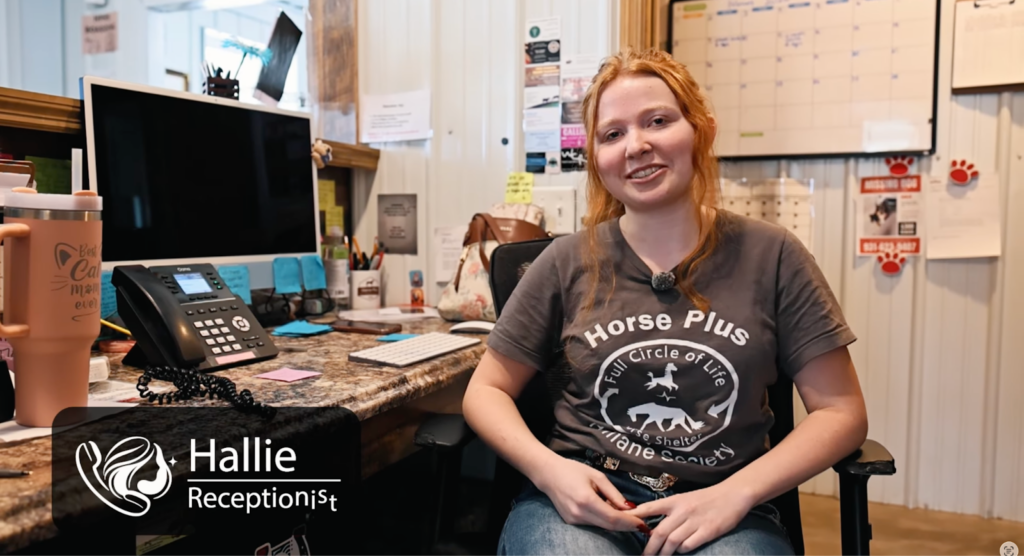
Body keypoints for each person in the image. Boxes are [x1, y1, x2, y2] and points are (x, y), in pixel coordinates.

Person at [461, 48, 868, 556]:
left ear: (701, 130)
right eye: (613, 134)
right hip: (586, 498)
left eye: (657, 121)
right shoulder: (564, 261)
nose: (637, 146)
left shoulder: (775, 255)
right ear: (596, 158)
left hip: (725, 503)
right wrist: (550, 471)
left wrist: (737, 494)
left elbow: (841, 411)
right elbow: (486, 390)